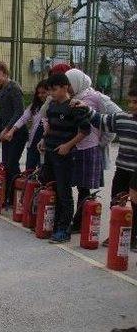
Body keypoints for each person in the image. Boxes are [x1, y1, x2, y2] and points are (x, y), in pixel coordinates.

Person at [73, 86, 137, 252]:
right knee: (116, 200)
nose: (131, 105)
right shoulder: (123, 118)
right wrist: (86, 108)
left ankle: (133, 236)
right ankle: (118, 231)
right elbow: (101, 120)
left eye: (135, 102)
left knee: (135, 203)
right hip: (122, 168)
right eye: (129, 101)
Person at [38, 73, 91, 244]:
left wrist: (68, 145)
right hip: (50, 153)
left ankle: (64, 229)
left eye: (54, 89)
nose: (51, 93)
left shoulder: (75, 106)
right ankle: (51, 224)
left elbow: (85, 130)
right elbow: (50, 128)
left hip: (64, 156)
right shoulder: (52, 106)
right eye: (49, 90)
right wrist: (43, 140)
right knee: (50, 187)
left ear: (65, 87)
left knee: (64, 192)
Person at [64, 69, 105, 233]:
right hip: (76, 146)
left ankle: (79, 222)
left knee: (84, 187)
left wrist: (103, 139)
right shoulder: (72, 99)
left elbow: (111, 117)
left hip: (89, 147)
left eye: (69, 85)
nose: (68, 89)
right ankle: (79, 219)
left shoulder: (95, 97)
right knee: (77, 185)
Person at [0, 62, 27, 206]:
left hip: (17, 132)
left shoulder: (14, 88)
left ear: (6, 74)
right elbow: (3, 111)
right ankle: (10, 196)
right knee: (7, 164)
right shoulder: (1, 89)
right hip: (6, 131)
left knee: (12, 164)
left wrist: (7, 129)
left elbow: (19, 112)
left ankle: (17, 197)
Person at [4, 80, 49, 170]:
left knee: (43, 168)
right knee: (29, 168)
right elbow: (23, 118)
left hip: (46, 143)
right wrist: (12, 131)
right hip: (33, 142)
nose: (40, 95)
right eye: (38, 93)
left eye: (43, 92)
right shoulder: (35, 106)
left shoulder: (53, 106)